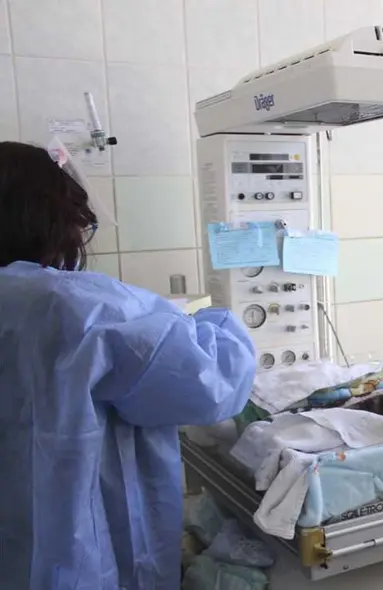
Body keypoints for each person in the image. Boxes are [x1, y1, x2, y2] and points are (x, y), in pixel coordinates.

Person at [0, 141, 257, 589]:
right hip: (78, 553)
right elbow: (217, 381)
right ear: (51, 218)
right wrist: (205, 318)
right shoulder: (70, 304)